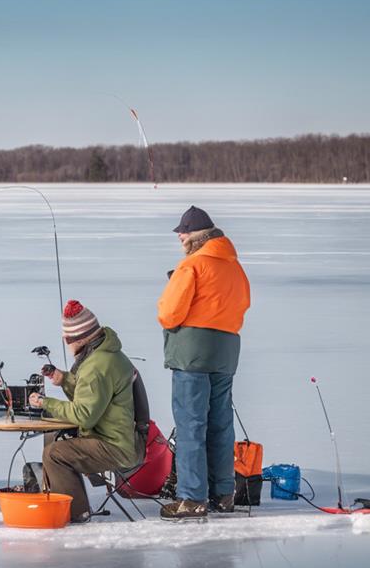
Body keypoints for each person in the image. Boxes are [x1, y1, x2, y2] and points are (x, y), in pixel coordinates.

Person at [157, 206, 250, 521]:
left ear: (195, 235)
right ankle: (223, 494)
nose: (180, 236)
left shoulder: (191, 266)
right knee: (220, 424)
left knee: (191, 425)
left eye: (182, 231)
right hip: (225, 352)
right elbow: (243, 304)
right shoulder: (233, 266)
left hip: (192, 353)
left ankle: (193, 498)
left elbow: (168, 314)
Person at [29, 300, 142, 523]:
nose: (67, 344)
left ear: (79, 339)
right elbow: (96, 397)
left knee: (54, 454)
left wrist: (45, 403)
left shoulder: (95, 366)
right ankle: (65, 504)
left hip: (114, 446)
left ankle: (76, 515)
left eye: (68, 340)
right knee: (53, 439)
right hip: (124, 439)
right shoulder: (107, 354)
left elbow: (84, 415)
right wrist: (64, 380)